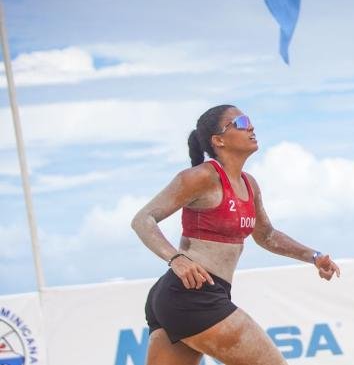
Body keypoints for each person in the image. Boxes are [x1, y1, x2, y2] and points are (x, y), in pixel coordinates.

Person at [131, 105, 341, 365]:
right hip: (192, 294)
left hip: (188, 296)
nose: (250, 127)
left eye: (249, 121)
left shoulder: (249, 184)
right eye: (240, 123)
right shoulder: (201, 177)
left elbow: (266, 235)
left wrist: (314, 256)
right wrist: (176, 258)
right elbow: (143, 220)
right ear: (218, 140)